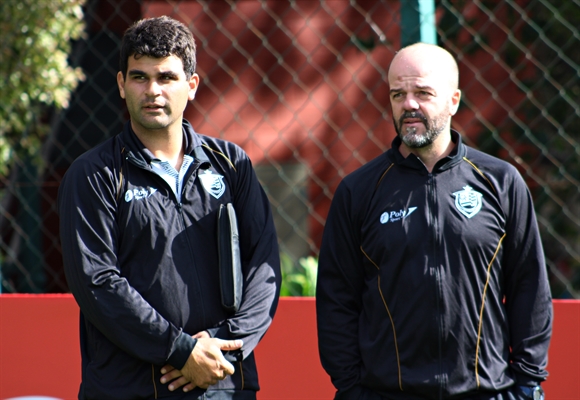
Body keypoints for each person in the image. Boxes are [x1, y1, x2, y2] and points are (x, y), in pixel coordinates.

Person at [58, 16, 280, 400]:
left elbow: (264, 267)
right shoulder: (93, 174)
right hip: (129, 388)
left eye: (166, 78)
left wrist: (217, 346)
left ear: (191, 86)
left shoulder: (231, 164)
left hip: (223, 382)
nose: (153, 91)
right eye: (140, 77)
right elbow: (97, 283)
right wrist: (180, 351)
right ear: (121, 84)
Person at [315, 42, 552, 400]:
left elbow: (529, 288)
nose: (409, 104)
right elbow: (336, 300)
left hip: (487, 393)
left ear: (454, 100)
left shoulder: (501, 182)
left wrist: (528, 383)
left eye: (423, 93)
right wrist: (352, 388)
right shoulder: (358, 191)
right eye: (398, 94)